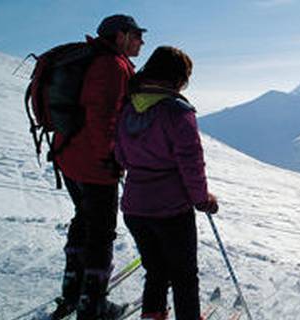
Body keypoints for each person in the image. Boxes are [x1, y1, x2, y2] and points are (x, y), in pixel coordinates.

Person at [51, 14, 146, 320]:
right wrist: (112, 158)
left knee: (84, 220)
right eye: (136, 35)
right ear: (120, 36)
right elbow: (102, 116)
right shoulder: (111, 66)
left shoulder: (93, 58)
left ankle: (73, 290)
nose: (141, 41)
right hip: (94, 164)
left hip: (69, 156)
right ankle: (93, 306)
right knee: (101, 234)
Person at [115, 46, 219, 320]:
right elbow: (191, 161)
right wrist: (202, 199)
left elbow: (121, 155)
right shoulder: (177, 111)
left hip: (135, 208)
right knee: (184, 275)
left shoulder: (128, 107)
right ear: (177, 76)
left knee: (156, 271)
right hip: (170, 211)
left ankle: (152, 315)